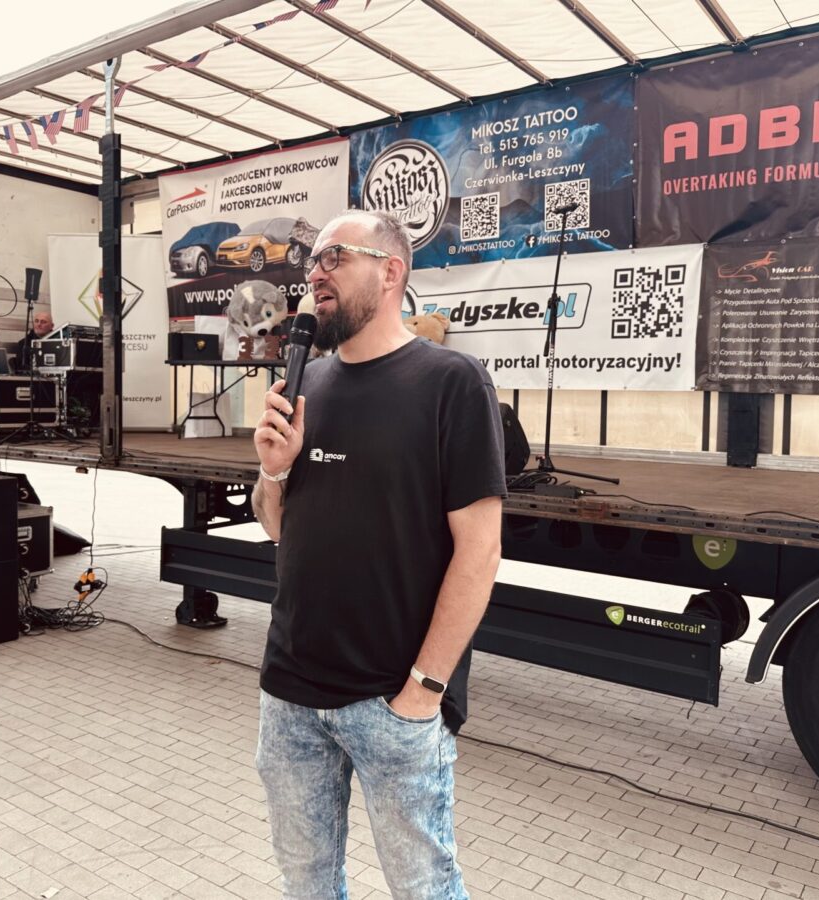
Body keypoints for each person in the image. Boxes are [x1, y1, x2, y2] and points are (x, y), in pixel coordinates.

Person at [251, 209, 506, 899]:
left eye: (334, 257)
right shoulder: (306, 383)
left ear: (391, 271)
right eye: (312, 262)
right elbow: (277, 527)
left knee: (424, 889)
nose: (316, 273)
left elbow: (480, 552)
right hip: (290, 695)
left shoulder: (451, 382)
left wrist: (424, 690)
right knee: (305, 884)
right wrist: (273, 469)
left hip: (392, 702)